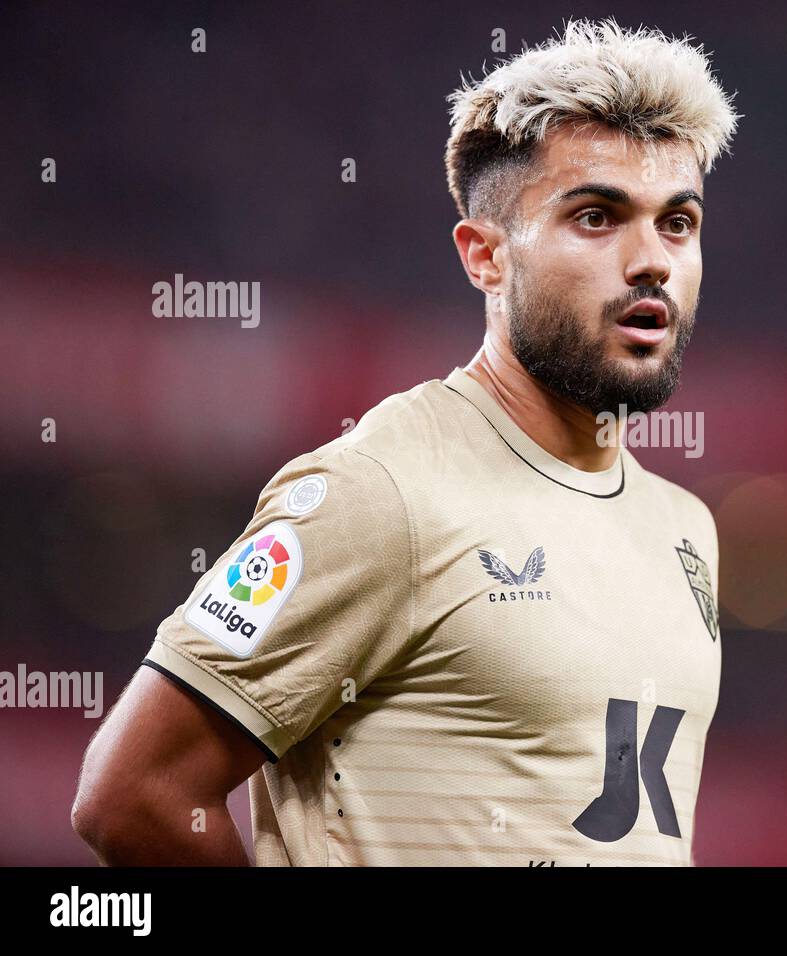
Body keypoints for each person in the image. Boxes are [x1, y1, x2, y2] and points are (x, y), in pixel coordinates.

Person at [72, 16, 739, 866]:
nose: (651, 260)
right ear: (485, 256)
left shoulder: (685, 528)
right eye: (598, 217)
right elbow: (133, 796)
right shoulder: (381, 491)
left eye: (677, 223)